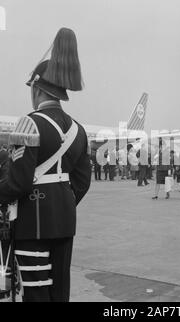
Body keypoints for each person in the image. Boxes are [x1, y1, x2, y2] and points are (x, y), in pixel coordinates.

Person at [0, 28, 91, 302]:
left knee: (35, 291)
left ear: (38, 89)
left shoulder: (28, 124)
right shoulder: (79, 130)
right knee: (59, 292)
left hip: (33, 223)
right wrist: (59, 201)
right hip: (64, 221)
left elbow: (17, 182)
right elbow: (83, 182)